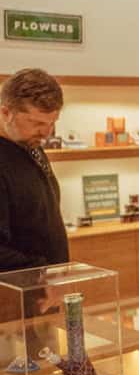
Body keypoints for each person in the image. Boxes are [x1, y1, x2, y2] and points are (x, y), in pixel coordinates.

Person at [0, 69, 68, 272]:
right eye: (37, 123)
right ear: (6, 113)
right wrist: (41, 274)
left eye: (52, 123)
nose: (46, 133)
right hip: (14, 294)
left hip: (45, 290)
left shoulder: (30, 144)